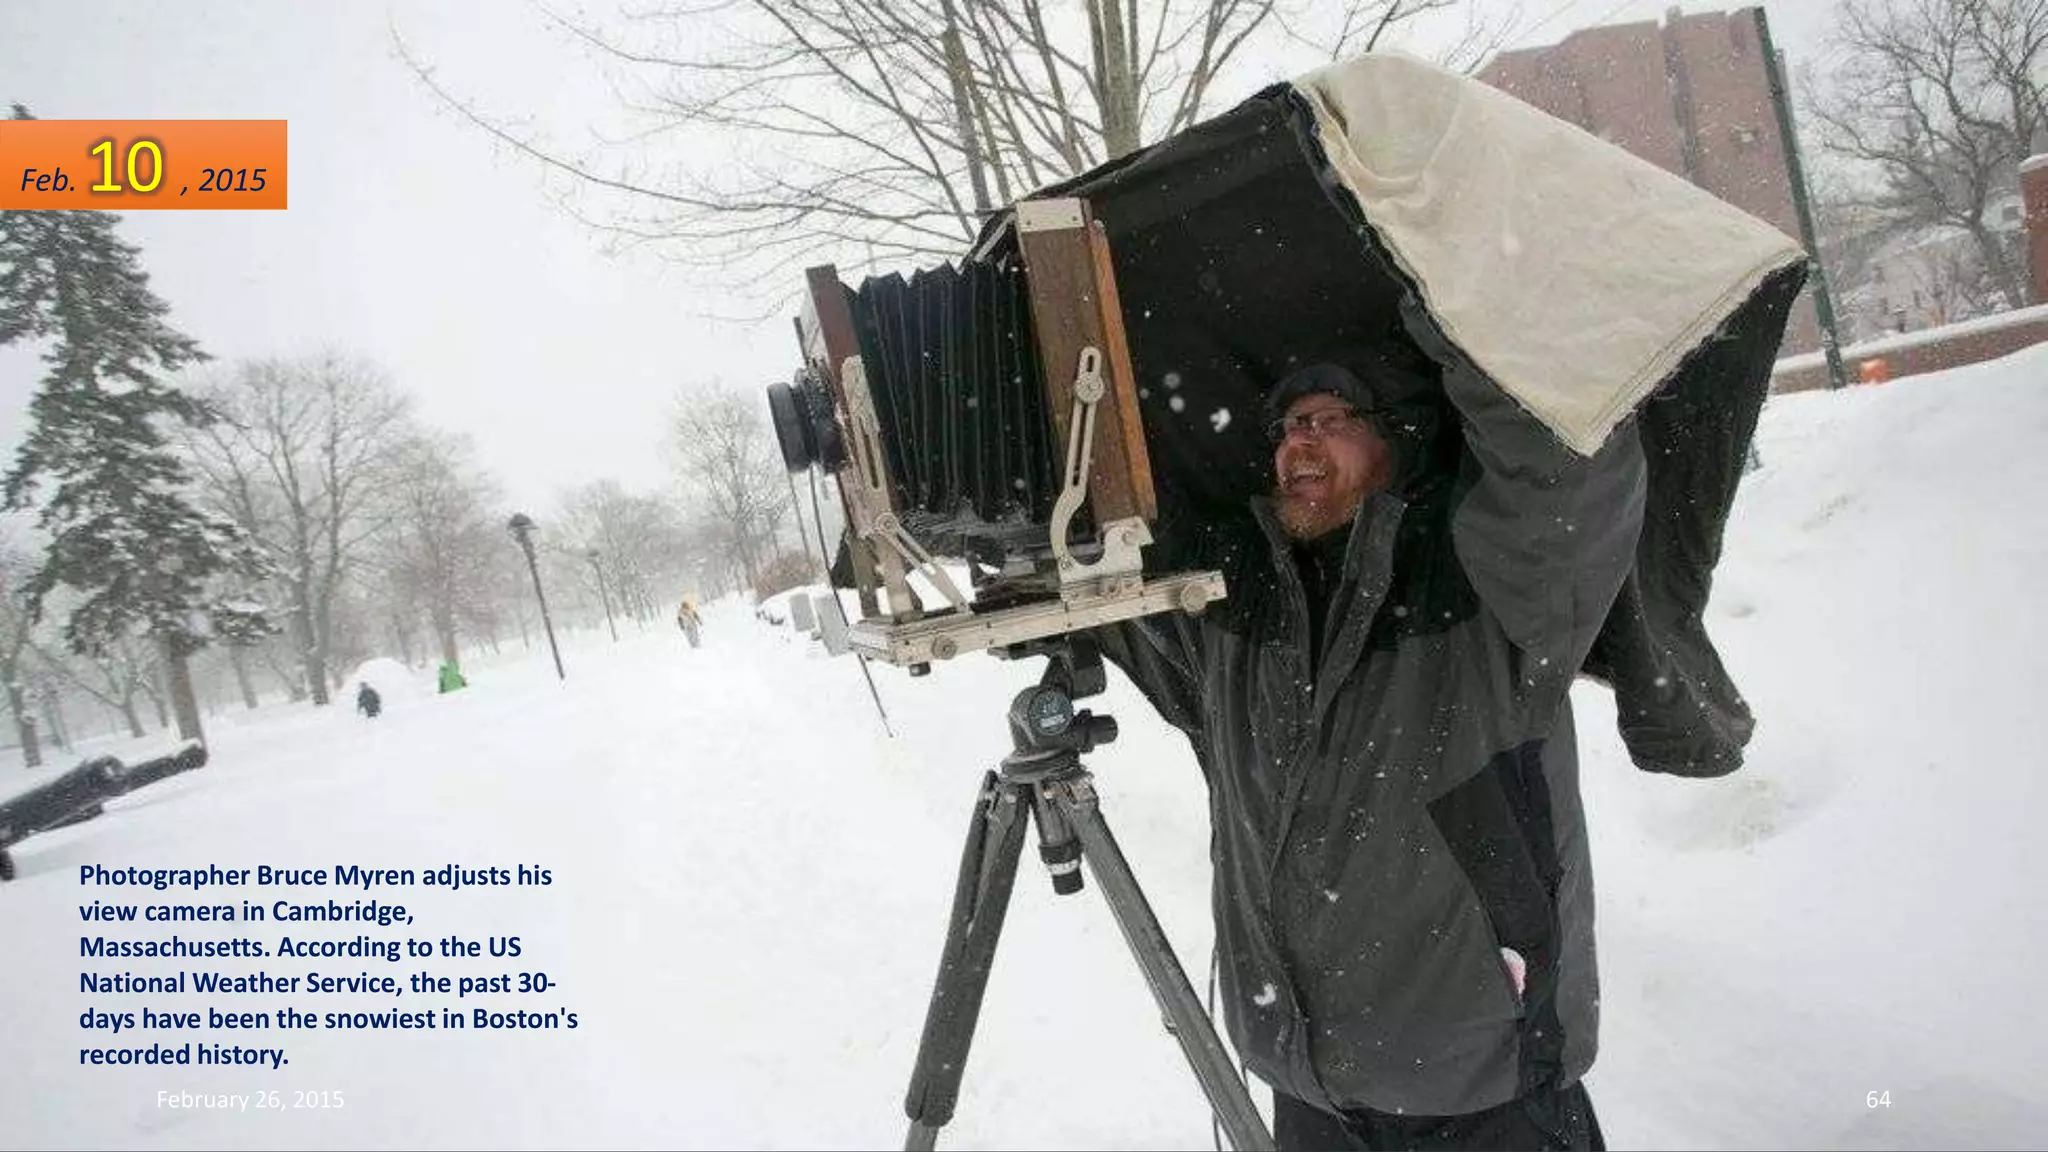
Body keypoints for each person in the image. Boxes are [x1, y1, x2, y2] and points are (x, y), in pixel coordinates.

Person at [1097, 358, 1645, 1150]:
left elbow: (1564, 464)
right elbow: (1112, 588)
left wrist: (1453, 300)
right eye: (1287, 428)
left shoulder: (1485, 588)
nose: (1299, 442)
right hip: (1308, 1086)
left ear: (1400, 442)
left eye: (1331, 419)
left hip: (1480, 1083)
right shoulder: (1235, 614)